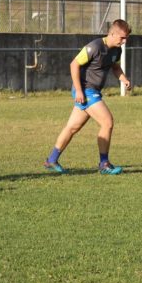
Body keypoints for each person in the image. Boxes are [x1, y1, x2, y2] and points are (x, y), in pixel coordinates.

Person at [43, 19, 132, 175]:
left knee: (72, 127)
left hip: (92, 91)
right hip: (86, 90)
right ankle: (104, 164)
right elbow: (74, 64)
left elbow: (115, 67)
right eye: (122, 38)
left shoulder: (117, 50)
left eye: (126, 38)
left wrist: (124, 79)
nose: (124, 41)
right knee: (107, 122)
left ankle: (51, 160)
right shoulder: (95, 47)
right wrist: (78, 91)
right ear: (112, 33)